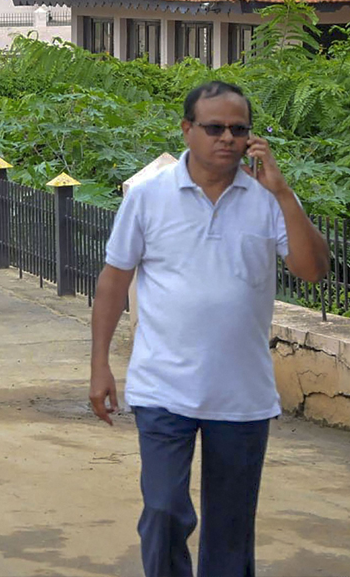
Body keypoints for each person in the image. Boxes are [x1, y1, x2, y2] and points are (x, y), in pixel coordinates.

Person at [89, 81, 330, 577]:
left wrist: (283, 192)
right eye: (214, 127)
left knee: (230, 531)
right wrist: (100, 366)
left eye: (238, 129)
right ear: (187, 130)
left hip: (241, 397)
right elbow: (114, 282)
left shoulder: (269, 200)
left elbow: (313, 270)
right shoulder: (150, 198)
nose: (227, 138)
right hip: (163, 389)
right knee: (162, 510)